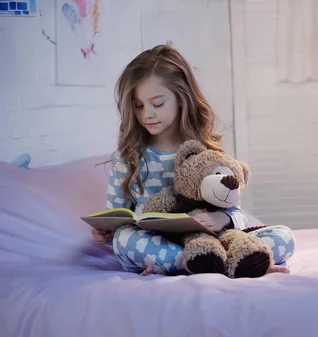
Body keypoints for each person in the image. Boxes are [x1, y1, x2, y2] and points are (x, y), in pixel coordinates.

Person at [92, 45, 295, 276]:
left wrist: (221, 218)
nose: (146, 114)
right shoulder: (127, 158)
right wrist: (107, 234)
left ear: (181, 98)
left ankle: (210, 262)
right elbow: (116, 217)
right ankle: (227, 265)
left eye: (157, 104)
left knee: (284, 236)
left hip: (212, 240)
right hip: (160, 244)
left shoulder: (206, 151)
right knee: (124, 239)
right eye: (138, 106)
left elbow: (237, 212)